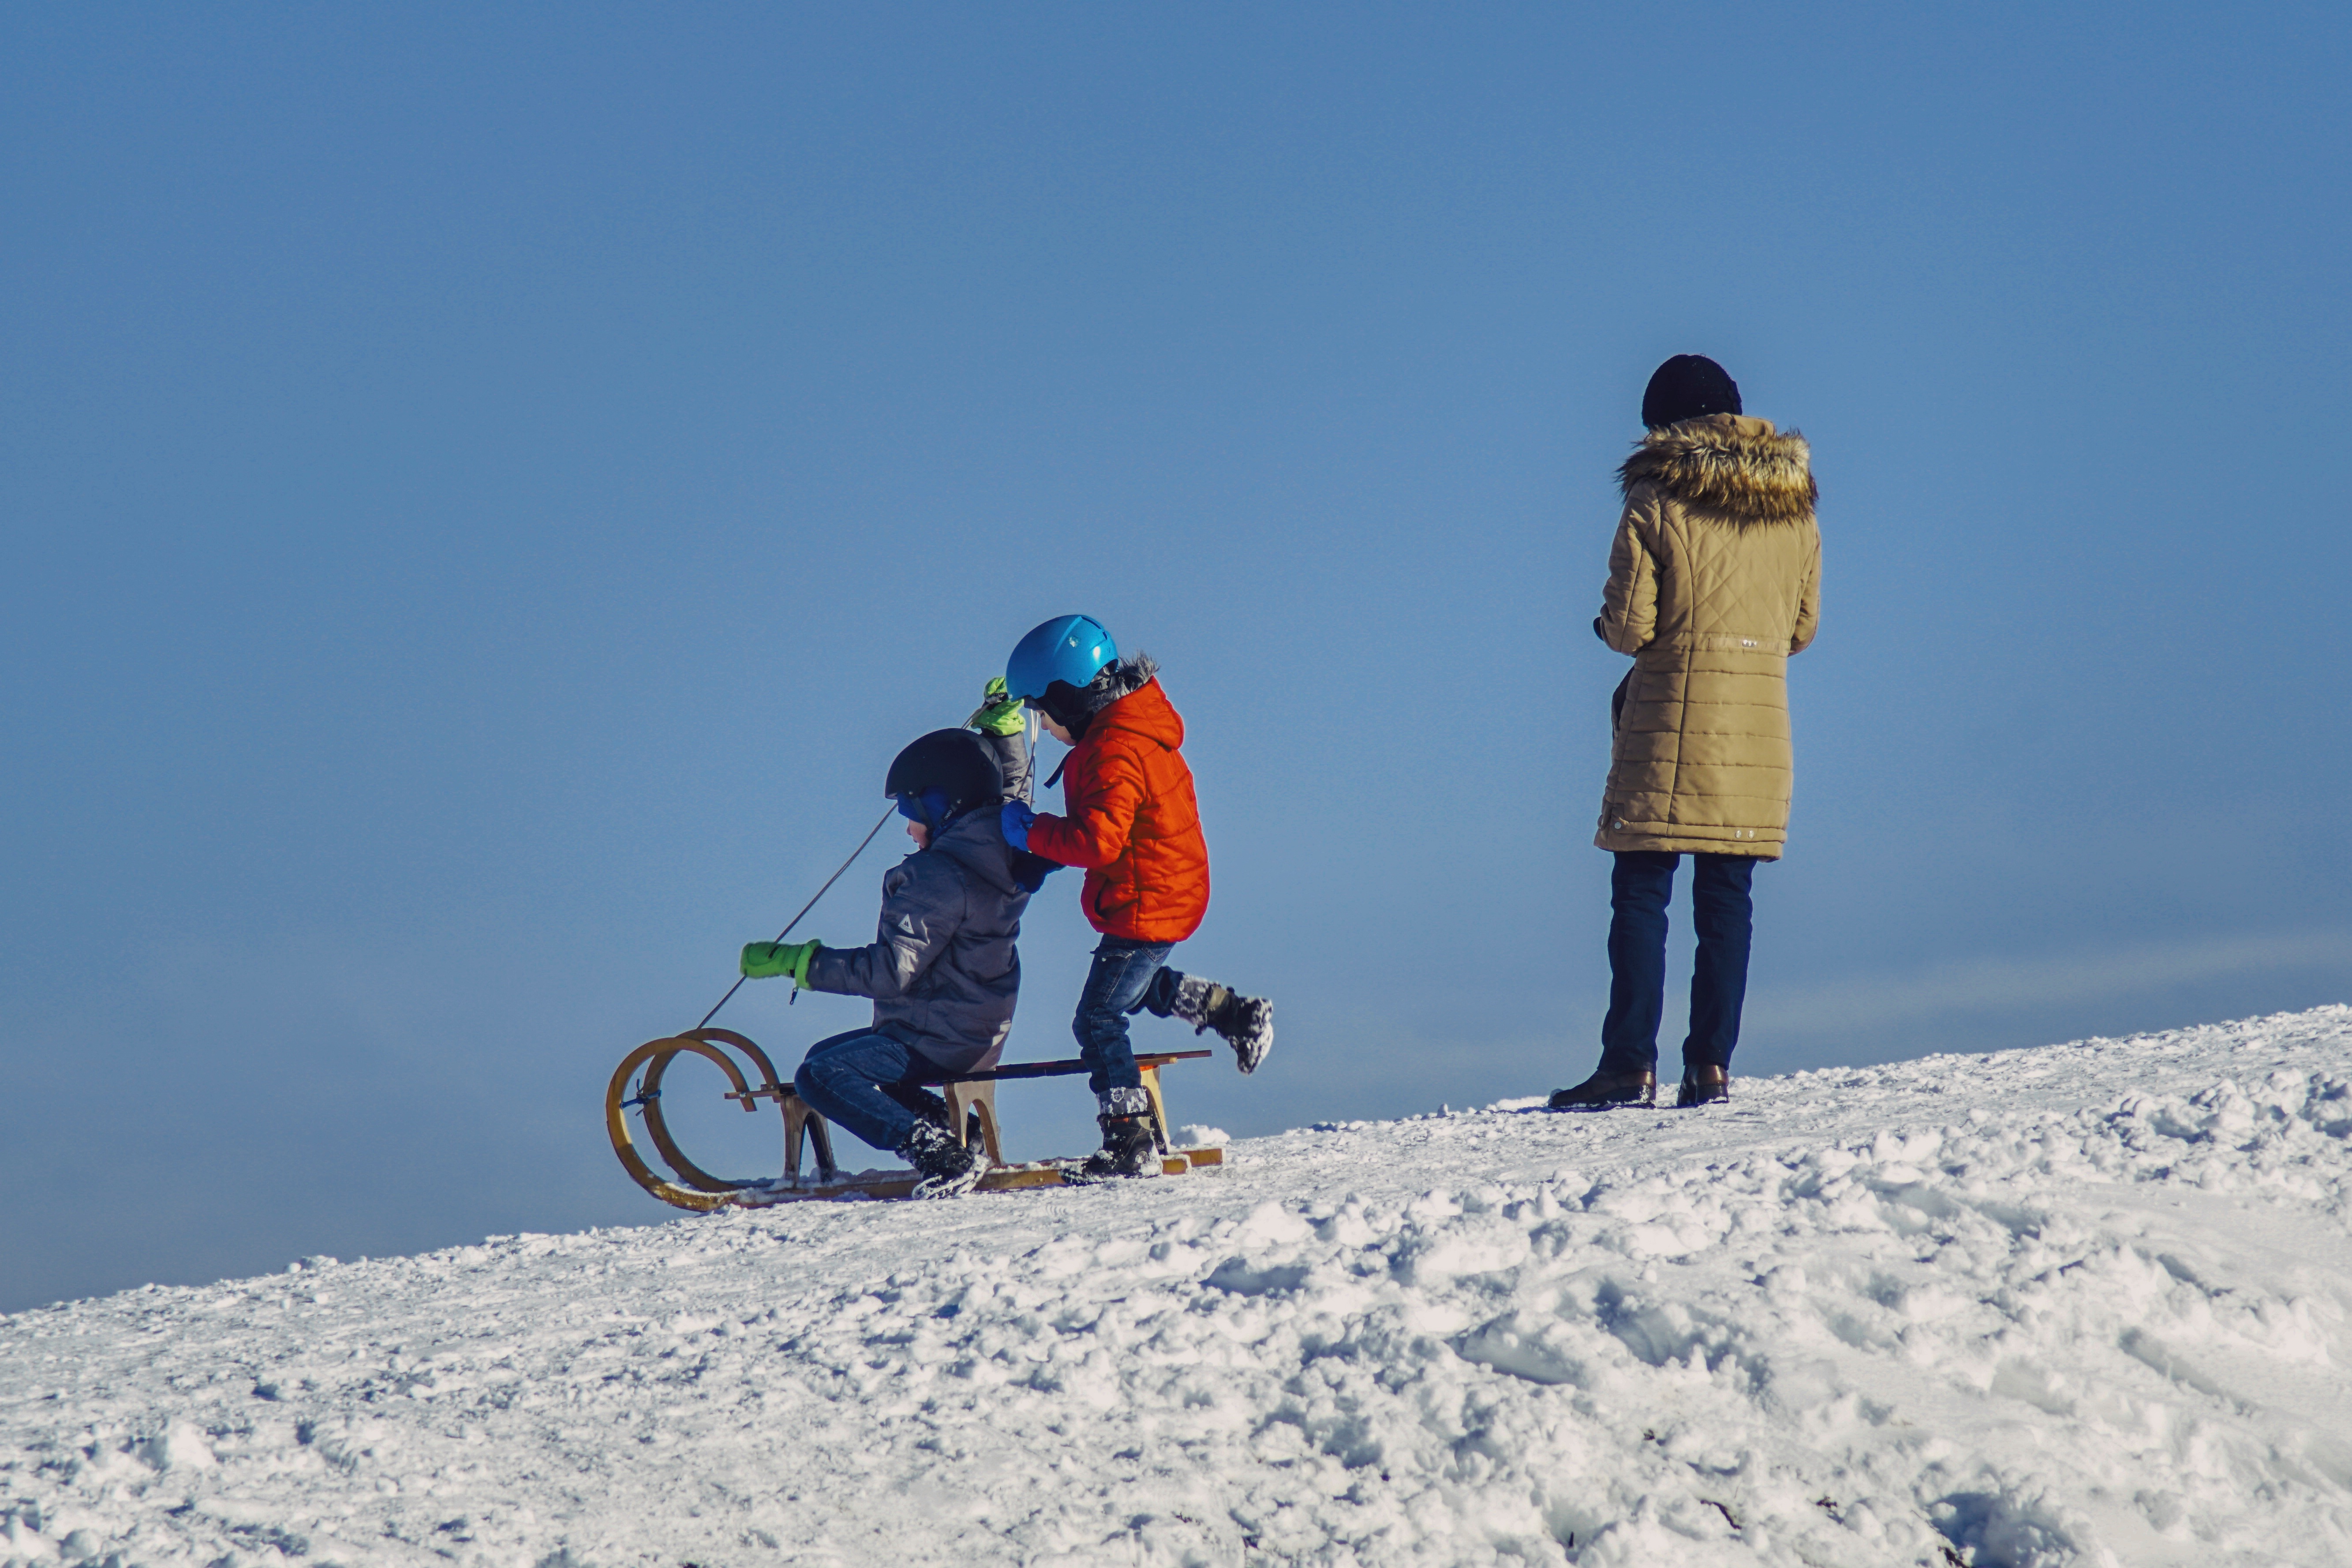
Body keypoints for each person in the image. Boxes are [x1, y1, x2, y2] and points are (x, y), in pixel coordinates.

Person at [1551, 355, 1821, 1112]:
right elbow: (1802, 629)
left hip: (1669, 719)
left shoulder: (1655, 491)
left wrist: (1606, 625)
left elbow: (1630, 624)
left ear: (1665, 423)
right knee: (1726, 896)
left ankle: (1627, 1064)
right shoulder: (1794, 504)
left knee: (1641, 889)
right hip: (1757, 732)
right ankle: (1709, 1068)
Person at [998, 615, 1274, 1181]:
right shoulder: (1128, 732)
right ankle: (1234, 1014)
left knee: (1098, 1016)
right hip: (1168, 887)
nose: (1044, 729)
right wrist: (1041, 859)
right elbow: (1107, 828)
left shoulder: (1114, 748)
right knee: (1130, 987)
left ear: (1069, 698)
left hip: (1148, 900)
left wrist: (1029, 832)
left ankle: (1130, 1139)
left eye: (1043, 714)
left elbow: (1098, 840)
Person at [737, 692, 1044, 1198]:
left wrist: (801, 963)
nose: (906, 824)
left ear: (944, 806)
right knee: (828, 1055)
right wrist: (1005, 737)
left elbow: (889, 972)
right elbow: (1006, 796)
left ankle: (935, 1151)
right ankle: (951, 1133)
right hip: (975, 1026)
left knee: (820, 1074)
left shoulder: (936, 876)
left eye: (912, 808)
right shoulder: (1001, 846)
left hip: (938, 1035)